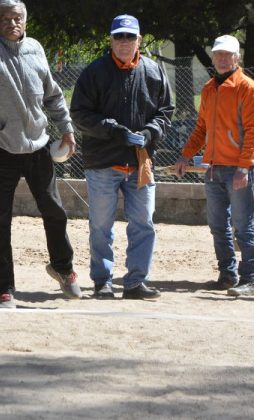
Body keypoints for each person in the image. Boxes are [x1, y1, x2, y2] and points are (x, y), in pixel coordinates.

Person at [0, 0, 81, 308]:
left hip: (37, 146)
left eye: (16, 18)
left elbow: (53, 94)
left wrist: (67, 128)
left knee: (55, 211)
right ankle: (4, 288)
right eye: (4, 18)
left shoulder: (36, 49)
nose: (11, 22)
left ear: (25, 22)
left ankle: (63, 267)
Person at [70, 15, 173, 299]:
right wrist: (113, 131)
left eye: (130, 37)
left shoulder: (154, 72)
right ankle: (103, 281)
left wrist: (151, 133)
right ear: (111, 40)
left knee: (144, 224)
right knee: (101, 227)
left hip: (141, 163)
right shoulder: (94, 72)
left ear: (139, 40)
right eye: (119, 37)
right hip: (103, 163)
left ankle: (135, 282)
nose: (124, 42)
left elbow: (165, 111)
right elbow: (79, 113)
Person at [174, 35, 254, 297]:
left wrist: (244, 167)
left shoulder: (248, 88)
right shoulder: (209, 89)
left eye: (228, 55)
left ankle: (250, 279)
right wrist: (185, 156)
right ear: (213, 58)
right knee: (217, 225)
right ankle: (227, 274)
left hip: (239, 169)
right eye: (218, 55)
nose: (223, 59)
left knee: (243, 226)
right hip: (213, 168)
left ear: (237, 58)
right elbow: (202, 128)